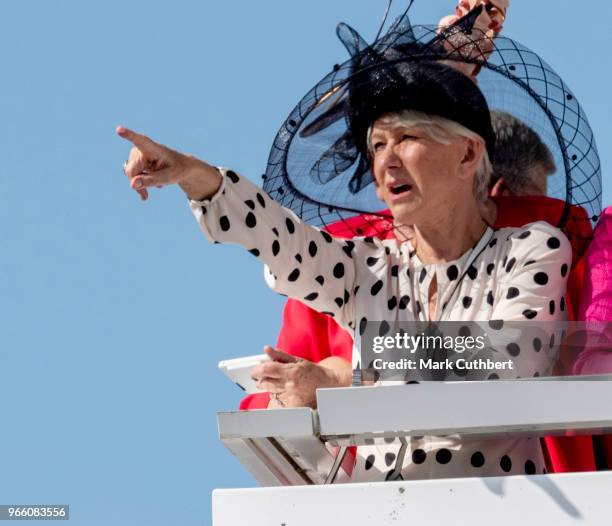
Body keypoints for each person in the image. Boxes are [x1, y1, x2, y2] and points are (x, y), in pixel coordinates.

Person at [119, 57, 572, 480]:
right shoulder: (371, 266)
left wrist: (342, 377)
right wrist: (193, 176)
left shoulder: (533, 249)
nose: (385, 160)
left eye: (407, 138)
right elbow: (281, 241)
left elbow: (497, 363)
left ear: (468, 155)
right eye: (377, 145)